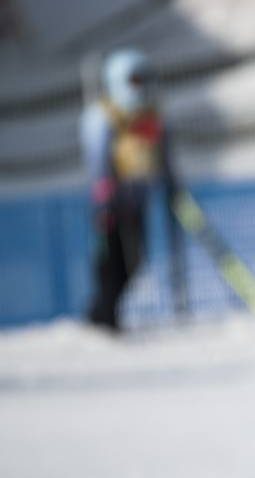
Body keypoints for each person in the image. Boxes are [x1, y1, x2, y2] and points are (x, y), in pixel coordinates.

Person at [80, 47, 179, 331]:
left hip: (137, 200)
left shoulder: (151, 116)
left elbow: (162, 154)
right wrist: (103, 193)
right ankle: (103, 316)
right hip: (111, 203)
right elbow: (97, 156)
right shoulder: (104, 116)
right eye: (134, 81)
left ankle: (106, 313)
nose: (140, 88)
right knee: (110, 261)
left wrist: (171, 184)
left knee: (134, 260)